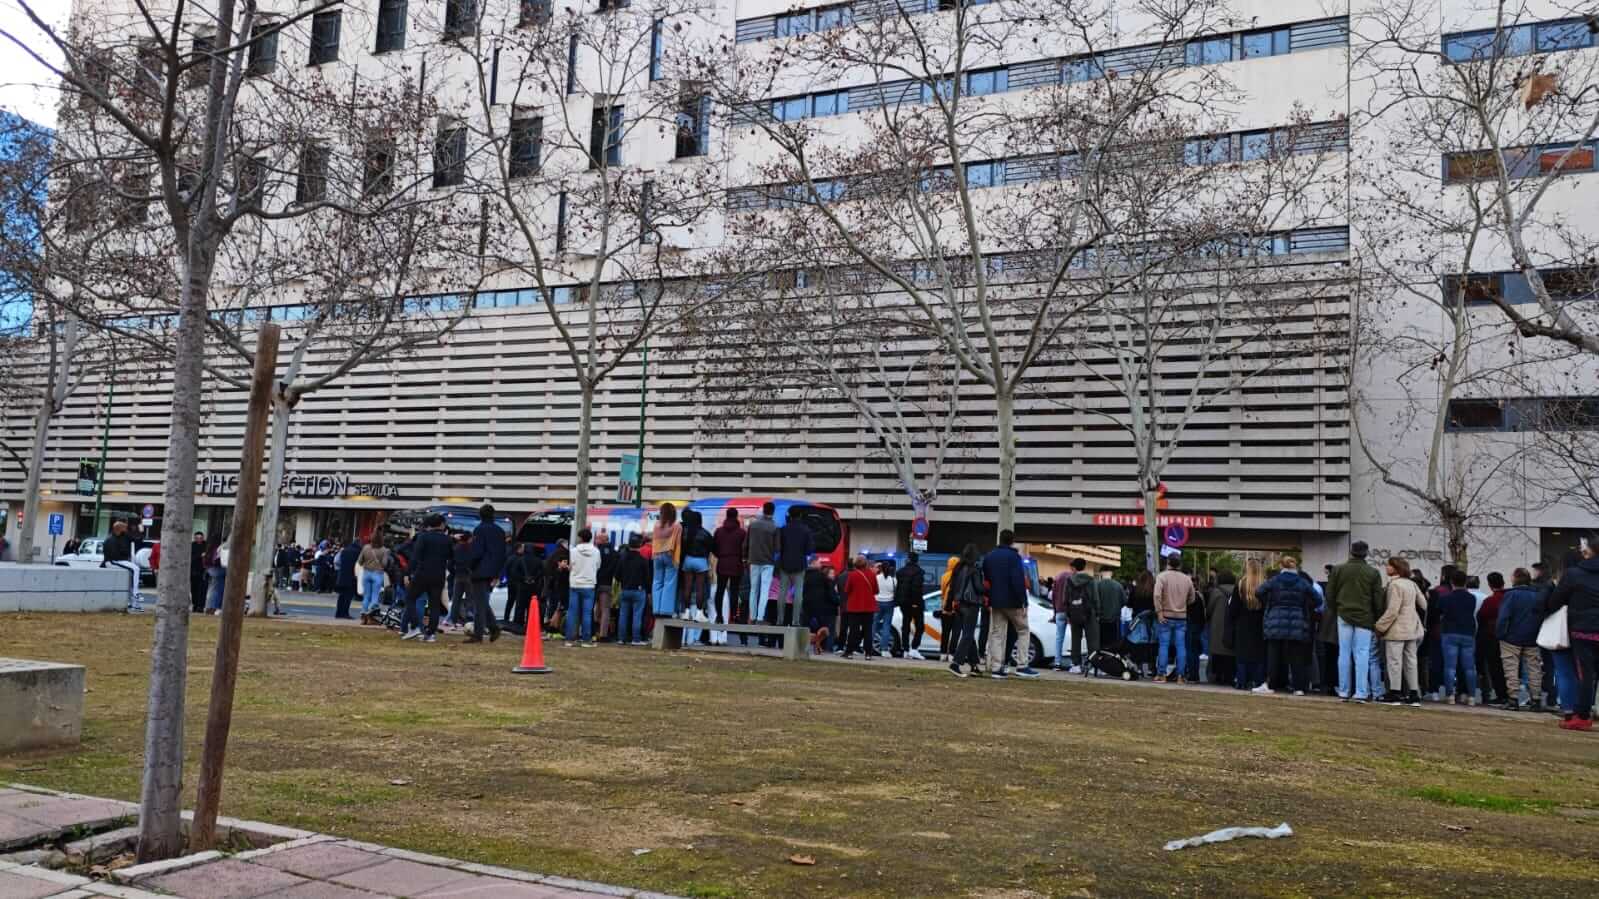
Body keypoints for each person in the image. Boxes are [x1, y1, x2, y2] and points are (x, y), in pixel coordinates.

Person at [1543, 533, 1599, 730]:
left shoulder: (1574, 574)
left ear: (1589, 552)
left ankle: (1582, 715)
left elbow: (1555, 601)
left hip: (1584, 630)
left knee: (1586, 674)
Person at [1328, 540, 1384, 703]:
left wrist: (1336, 609)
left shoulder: (1338, 570)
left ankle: (1344, 691)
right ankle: (1361, 692)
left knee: (1344, 653)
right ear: (1366, 553)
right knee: (1362, 654)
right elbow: (1377, 599)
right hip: (1365, 617)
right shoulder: (1373, 573)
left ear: (1351, 552)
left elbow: (1330, 595)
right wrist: (1377, 616)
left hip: (1343, 614)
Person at [982, 530, 1041, 679]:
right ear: (1012, 541)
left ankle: (996, 667)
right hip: (1013, 602)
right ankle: (1022, 665)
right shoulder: (1014, 557)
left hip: (996, 602)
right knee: (1023, 630)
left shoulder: (989, 557)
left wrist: (989, 598)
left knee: (997, 634)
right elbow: (1018, 580)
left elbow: (986, 580)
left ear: (1000, 539)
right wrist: (1024, 601)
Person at [1256, 557, 1314, 695]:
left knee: (1273, 655)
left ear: (1281, 566)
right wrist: (1303, 607)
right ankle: (1298, 687)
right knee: (1296, 656)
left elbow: (1259, 592)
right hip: (1297, 622)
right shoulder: (1302, 582)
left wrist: (1271, 603)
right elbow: (1317, 599)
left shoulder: (1275, 580)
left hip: (1275, 621)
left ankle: (1270, 684)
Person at [1373, 557, 1427, 706]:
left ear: (1395, 568)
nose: (1386, 567)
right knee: (1411, 661)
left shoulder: (1394, 585)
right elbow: (1424, 604)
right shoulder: (1412, 584)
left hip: (1397, 628)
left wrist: (1379, 626)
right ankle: (1414, 693)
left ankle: (1395, 693)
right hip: (1412, 627)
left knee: (1394, 661)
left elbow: (1392, 610)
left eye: (1389, 565)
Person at [1496, 568, 1545, 711]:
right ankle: (1536, 699)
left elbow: (1503, 617)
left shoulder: (1511, 595)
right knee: (1534, 669)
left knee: (1511, 668)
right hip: (1533, 637)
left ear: (1515, 579)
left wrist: (1501, 634)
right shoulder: (1538, 595)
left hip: (1511, 637)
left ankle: (1513, 699)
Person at [405, 514, 453, 642]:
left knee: (410, 598)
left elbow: (415, 557)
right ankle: (430, 634)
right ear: (441, 524)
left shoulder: (423, 537)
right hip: (439, 575)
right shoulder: (447, 539)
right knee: (434, 605)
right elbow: (451, 557)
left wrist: (407, 573)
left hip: (423, 573)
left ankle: (415, 626)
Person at [464, 504, 505, 644]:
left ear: (480, 515)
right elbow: (502, 554)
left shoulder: (479, 530)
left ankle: (478, 634)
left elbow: (476, 552)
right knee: (482, 602)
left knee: (479, 604)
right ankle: (493, 628)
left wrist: (470, 566)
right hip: (493, 570)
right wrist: (498, 572)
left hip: (480, 570)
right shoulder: (500, 531)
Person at [1437, 568, 1479, 705]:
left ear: (1451, 582)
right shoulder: (1471, 598)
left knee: (1450, 667)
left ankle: (1450, 696)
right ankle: (1472, 696)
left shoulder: (1445, 598)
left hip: (1450, 632)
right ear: (1465, 582)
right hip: (1467, 633)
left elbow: (1440, 611)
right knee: (1469, 667)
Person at [944, 545, 984, 677]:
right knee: (967, 635)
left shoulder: (958, 568)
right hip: (971, 605)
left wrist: (949, 605)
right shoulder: (974, 570)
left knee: (969, 635)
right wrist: (988, 588)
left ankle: (974, 666)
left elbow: (951, 588)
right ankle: (955, 664)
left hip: (958, 605)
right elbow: (979, 589)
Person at [1152, 554, 1193, 683]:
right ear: (1180, 564)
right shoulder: (1187, 579)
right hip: (1181, 617)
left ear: (1168, 562)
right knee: (1181, 646)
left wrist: (1159, 612)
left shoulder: (1162, 576)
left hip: (1165, 616)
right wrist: (1183, 604)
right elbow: (1192, 598)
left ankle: (1162, 674)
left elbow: (1157, 595)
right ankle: (1180, 676)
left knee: (1164, 645)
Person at [1229, 560, 1268, 689]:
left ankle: (1241, 681)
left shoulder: (1240, 585)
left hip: (1243, 624)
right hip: (1260, 624)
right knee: (1259, 654)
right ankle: (1258, 681)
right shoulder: (1265, 586)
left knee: (1242, 654)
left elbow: (1233, 609)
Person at [1475, 572, 1510, 706]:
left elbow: (1481, 616)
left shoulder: (1490, 601)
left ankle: (1502, 695)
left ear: (1490, 585)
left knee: (1495, 667)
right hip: (1509, 636)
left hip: (1492, 637)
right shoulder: (1508, 597)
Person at [679, 508, 713, 642]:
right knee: (699, 587)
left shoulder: (686, 532)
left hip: (688, 560)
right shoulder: (705, 533)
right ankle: (699, 612)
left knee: (687, 587)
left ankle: (686, 611)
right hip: (701, 561)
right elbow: (711, 547)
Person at [776, 512, 814, 628]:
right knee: (798, 593)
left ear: (790, 517)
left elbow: (778, 548)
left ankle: (780, 620)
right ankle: (795, 620)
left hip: (784, 564)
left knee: (782, 592)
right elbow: (809, 550)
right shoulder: (806, 530)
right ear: (800, 517)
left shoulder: (783, 529)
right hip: (799, 565)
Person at [1056, 559, 1094, 672]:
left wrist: (1068, 613)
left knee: (1075, 639)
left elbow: (1065, 598)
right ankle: (1092, 665)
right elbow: (1095, 596)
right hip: (1088, 612)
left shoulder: (1069, 580)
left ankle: (1076, 665)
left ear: (1074, 568)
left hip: (1074, 613)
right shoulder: (1090, 580)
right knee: (1091, 639)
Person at [746, 502, 779, 632]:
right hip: (768, 562)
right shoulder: (775, 527)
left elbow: (746, 543)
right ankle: (760, 618)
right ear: (773, 512)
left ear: (763, 511)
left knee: (753, 589)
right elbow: (777, 548)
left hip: (753, 560)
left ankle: (752, 617)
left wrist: (745, 557)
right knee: (764, 590)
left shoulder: (753, 525)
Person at [712, 508, 746, 632]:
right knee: (734, 590)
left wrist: (721, 555)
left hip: (722, 562)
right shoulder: (742, 533)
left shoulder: (718, 531)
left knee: (720, 590)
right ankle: (733, 615)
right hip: (736, 563)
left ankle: (719, 615)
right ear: (736, 516)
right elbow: (745, 549)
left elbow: (714, 547)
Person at [566, 527, 600, 647]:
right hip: (589, 584)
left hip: (575, 583)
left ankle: (569, 639)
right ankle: (586, 640)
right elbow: (598, 566)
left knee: (572, 612)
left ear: (580, 538)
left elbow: (571, 566)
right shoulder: (596, 551)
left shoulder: (573, 551)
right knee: (587, 613)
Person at [840, 556, 878, 659]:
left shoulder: (852, 575)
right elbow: (876, 590)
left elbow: (847, 590)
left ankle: (849, 652)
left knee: (853, 631)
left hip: (854, 607)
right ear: (866, 564)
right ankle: (868, 654)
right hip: (869, 607)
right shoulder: (872, 574)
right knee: (868, 631)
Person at [616, 533, 651, 645]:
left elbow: (617, 575)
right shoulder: (643, 560)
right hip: (639, 590)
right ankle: (636, 639)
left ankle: (621, 638)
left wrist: (623, 581)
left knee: (623, 615)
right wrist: (648, 591)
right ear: (640, 545)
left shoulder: (622, 558)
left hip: (625, 589)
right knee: (637, 615)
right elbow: (647, 577)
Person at [651, 503, 683, 622]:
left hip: (657, 555)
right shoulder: (677, 526)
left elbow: (654, 541)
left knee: (657, 582)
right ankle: (665, 610)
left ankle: (656, 609)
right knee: (669, 582)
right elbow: (678, 544)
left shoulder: (657, 525)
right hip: (670, 555)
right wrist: (676, 559)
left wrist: (655, 554)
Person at [101, 520, 142, 612]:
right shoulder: (110, 540)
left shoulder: (124, 536)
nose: (126, 529)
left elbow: (137, 540)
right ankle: (135, 592)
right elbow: (114, 557)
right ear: (119, 529)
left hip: (120, 560)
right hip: (112, 561)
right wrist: (126, 555)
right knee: (135, 569)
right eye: (124, 528)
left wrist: (140, 530)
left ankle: (133, 600)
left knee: (131, 573)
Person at [894, 552, 928, 660]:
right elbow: (916, 589)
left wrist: (899, 601)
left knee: (905, 626)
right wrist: (916, 603)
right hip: (915, 603)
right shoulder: (919, 572)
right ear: (917, 560)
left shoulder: (900, 572)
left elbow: (898, 588)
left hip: (903, 603)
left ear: (908, 559)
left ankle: (906, 650)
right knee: (920, 627)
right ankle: (914, 649)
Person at [1205, 571, 1236, 686]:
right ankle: (1230, 676)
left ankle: (1217, 676)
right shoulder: (1237, 591)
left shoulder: (1216, 592)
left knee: (1217, 653)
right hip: (1231, 627)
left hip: (1217, 627)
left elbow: (1209, 609)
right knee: (1231, 653)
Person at [1090, 565, 1126, 662]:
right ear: (1111, 573)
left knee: (1101, 645)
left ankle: (1102, 664)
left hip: (1100, 620)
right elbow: (1124, 601)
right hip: (1114, 620)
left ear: (1101, 573)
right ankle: (1112, 664)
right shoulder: (1118, 586)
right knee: (1113, 644)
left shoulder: (1097, 585)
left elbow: (1093, 602)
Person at [804, 559, 840, 649]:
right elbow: (831, 596)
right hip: (829, 610)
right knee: (828, 631)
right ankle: (827, 648)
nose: (833, 575)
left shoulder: (805, 575)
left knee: (814, 629)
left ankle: (810, 647)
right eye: (831, 573)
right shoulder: (826, 582)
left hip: (809, 606)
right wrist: (838, 602)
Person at [356, 538, 388, 624]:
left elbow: (360, 561)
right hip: (377, 573)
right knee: (375, 596)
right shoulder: (384, 550)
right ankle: (371, 617)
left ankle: (363, 617)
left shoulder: (366, 548)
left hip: (366, 573)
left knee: (366, 596)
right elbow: (385, 563)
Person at [594, 530, 618, 642]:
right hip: (607, 584)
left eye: (597, 538)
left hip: (595, 583)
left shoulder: (596, 551)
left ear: (603, 540)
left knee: (595, 608)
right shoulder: (614, 553)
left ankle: (595, 632)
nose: (596, 540)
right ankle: (603, 634)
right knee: (605, 610)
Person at [937, 555, 961, 662]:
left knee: (945, 632)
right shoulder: (961, 576)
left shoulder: (944, 576)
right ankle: (952, 654)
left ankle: (943, 654)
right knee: (955, 633)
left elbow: (942, 592)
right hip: (957, 608)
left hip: (946, 608)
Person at [504, 542, 534, 628]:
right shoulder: (521, 559)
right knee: (518, 602)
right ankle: (516, 620)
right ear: (519, 549)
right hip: (518, 583)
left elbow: (507, 570)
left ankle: (506, 618)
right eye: (522, 548)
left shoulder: (510, 558)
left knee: (510, 601)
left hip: (510, 583)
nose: (523, 549)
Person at [872, 561, 897, 657]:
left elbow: (873, 590)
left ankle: (868, 647)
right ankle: (884, 649)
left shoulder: (876, 578)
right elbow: (894, 591)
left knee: (873, 625)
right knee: (886, 626)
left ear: (880, 569)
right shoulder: (893, 580)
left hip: (877, 602)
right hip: (889, 603)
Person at [336, 537, 362, 620]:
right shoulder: (358, 552)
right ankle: (345, 613)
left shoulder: (345, 550)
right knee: (348, 597)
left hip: (342, 575)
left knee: (341, 596)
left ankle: (338, 613)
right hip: (351, 576)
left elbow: (338, 561)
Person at [188, 531, 207, 614]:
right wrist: (200, 556)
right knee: (194, 590)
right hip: (193, 572)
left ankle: (201, 606)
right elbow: (191, 558)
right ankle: (195, 605)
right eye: (197, 538)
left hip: (203, 571)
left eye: (200, 538)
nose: (199, 539)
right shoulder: (192, 546)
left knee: (202, 590)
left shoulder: (206, 545)